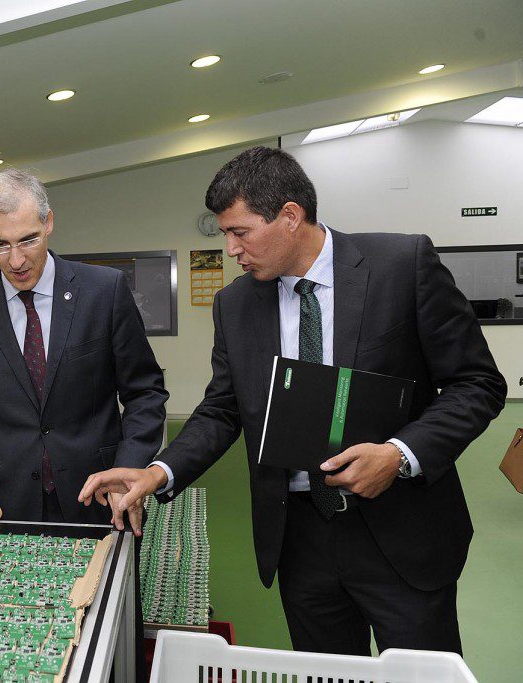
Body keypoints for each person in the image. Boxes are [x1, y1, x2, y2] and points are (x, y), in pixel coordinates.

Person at [79, 146, 507, 656]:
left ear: (289, 216)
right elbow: (222, 410)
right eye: (225, 235)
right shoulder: (235, 304)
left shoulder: (402, 265)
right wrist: (157, 472)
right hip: (299, 537)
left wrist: (399, 454)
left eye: (240, 232)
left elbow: (477, 383)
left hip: (402, 529)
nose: (231, 250)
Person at [0, 167, 168, 526]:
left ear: (48, 223)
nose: (15, 261)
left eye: (28, 240)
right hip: (3, 503)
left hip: (100, 494)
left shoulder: (104, 291)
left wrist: (127, 469)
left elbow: (145, 393)